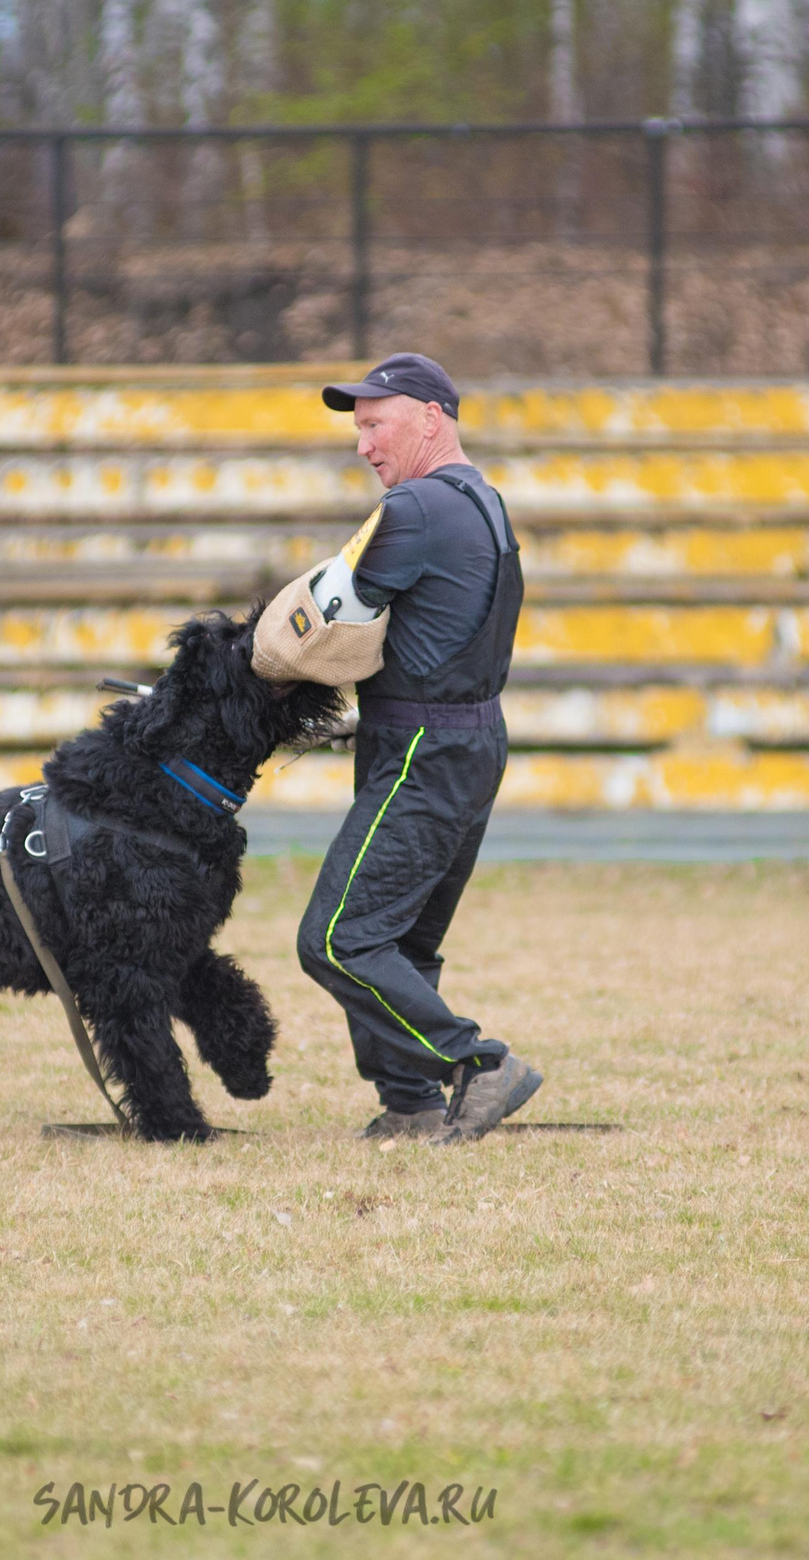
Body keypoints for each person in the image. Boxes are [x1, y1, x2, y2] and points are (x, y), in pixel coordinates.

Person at [292, 353, 542, 1145]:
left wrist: (228, 680)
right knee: (400, 938)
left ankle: (478, 1062)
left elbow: (321, 621)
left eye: (375, 423)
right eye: (356, 428)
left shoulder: (415, 509)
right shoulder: (486, 501)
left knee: (336, 936)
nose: (363, 443)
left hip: (421, 747)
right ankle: (409, 1104)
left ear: (431, 417)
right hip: (470, 737)